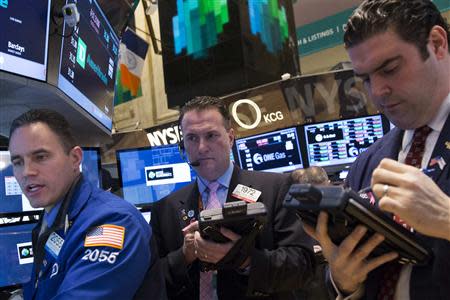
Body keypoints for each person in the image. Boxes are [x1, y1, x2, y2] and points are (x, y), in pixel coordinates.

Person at [304, 0, 450, 299]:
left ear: (436, 44)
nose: (377, 91)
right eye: (367, 79)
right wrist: (345, 282)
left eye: (390, 68)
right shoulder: (366, 163)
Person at [150, 96, 315, 299]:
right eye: (192, 138)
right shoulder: (165, 208)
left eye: (211, 135)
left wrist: (245, 260)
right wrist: (184, 255)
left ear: (230, 138)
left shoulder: (276, 187)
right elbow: (151, 282)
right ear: (182, 145)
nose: (201, 147)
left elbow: (302, 265)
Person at [8, 109, 153, 299]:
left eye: (40, 157)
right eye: (18, 162)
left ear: (75, 159)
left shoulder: (114, 222)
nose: (27, 172)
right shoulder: (54, 215)